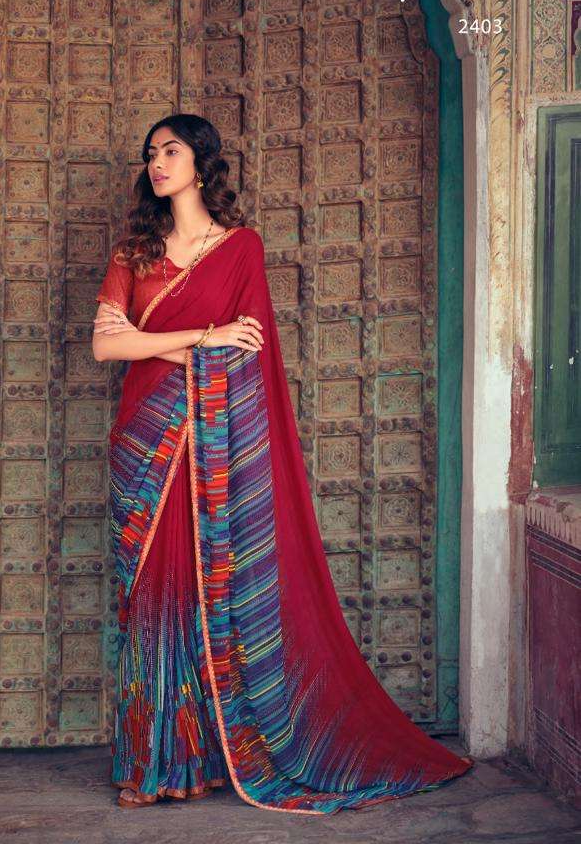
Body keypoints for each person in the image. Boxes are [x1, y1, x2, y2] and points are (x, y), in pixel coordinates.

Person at [92, 113, 473, 814]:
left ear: (202, 163)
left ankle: (205, 757)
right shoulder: (135, 252)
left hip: (209, 448)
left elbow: (247, 355)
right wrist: (201, 337)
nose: (157, 163)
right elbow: (106, 346)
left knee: (206, 592)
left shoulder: (241, 249)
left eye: (170, 150)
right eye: (150, 153)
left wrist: (173, 343)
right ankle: (151, 761)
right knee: (150, 600)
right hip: (144, 446)